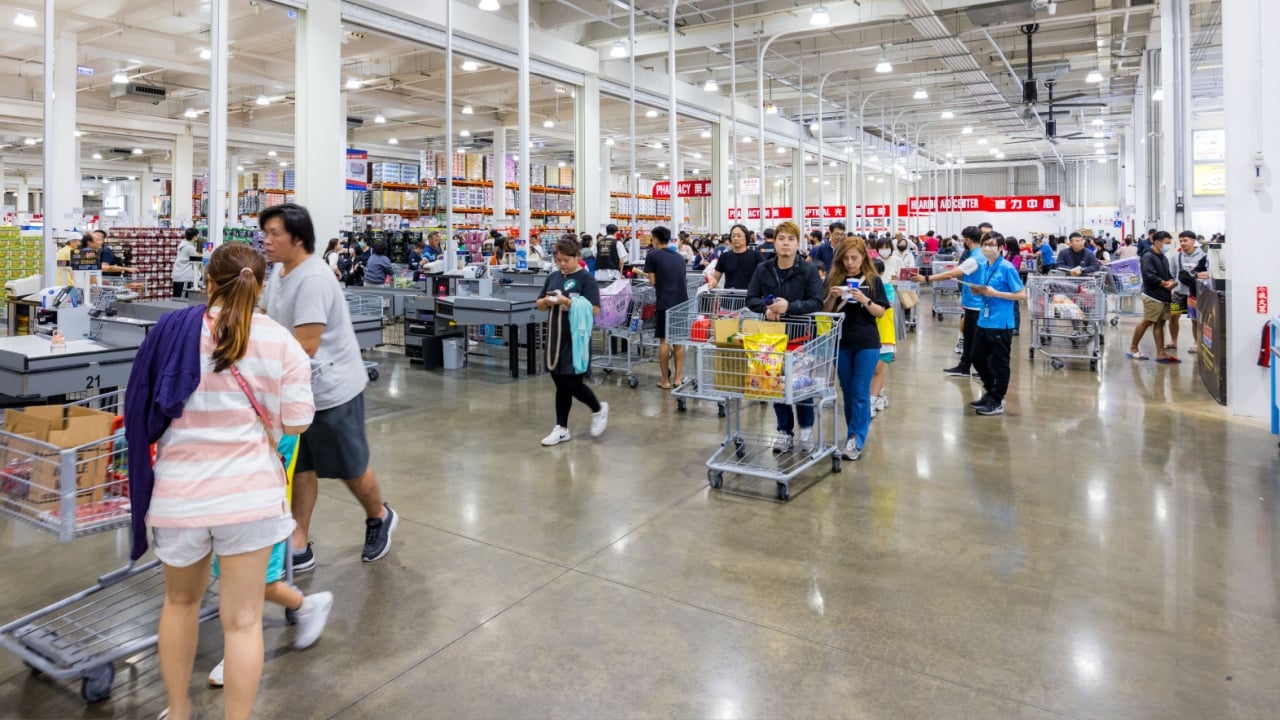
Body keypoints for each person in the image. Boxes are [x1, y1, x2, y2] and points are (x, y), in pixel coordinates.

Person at [135, 243, 316, 720]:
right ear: (261, 288)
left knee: (179, 604)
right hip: (251, 496)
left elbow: (144, 404)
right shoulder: (281, 342)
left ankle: (179, 712)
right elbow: (297, 423)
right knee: (242, 623)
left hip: (180, 495)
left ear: (208, 282)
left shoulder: (173, 331)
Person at [260, 204, 397, 572]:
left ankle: (379, 516)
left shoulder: (314, 279)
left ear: (298, 238)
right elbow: (267, 319)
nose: (267, 240)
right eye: (266, 232)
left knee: (349, 465)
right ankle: (298, 538)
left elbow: (306, 345)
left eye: (274, 233)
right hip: (296, 389)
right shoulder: (279, 272)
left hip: (332, 388)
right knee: (301, 464)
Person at [747, 221, 825, 453]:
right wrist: (766, 309)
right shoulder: (763, 268)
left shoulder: (808, 270)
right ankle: (783, 431)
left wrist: (789, 307)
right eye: (781, 238)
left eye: (791, 239)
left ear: (797, 243)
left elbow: (816, 302)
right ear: (775, 241)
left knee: (801, 387)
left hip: (801, 338)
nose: (785, 243)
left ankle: (806, 430)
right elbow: (751, 298)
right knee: (775, 386)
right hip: (771, 338)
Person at [536, 236, 608, 446]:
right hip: (555, 338)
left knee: (571, 382)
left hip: (576, 338)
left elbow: (594, 309)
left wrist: (568, 302)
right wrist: (547, 302)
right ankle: (562, 428)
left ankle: (598, 409)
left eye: (566, 260)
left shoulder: (586, 279)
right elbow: (539, 303)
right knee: (560, 382)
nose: (562, 264)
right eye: (558, 260)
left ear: (577, 256)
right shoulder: (553, 278)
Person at [822, 237, 887, 461]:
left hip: (867, 343)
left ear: (863, 258)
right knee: (848, 392)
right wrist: (831, 296)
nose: (850, 263)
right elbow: (825, 312)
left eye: (854, 258)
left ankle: (856, 439)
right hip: (841, 343)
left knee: (860, 392)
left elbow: (880, 312)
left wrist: (864, 299)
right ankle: (852, 433)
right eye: (846, 258)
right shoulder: (834, 279)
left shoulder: (873, 280)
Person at [968, 233, 1027, 415]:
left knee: (1000, 363)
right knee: (976, 356)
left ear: (1001, 248)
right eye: (985, 244)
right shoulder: (985, 266)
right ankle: (991, 391)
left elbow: (1021, 294)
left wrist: (996, 294)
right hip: (984, 320)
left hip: (1001, 323)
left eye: (992, 245)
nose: (987, 248)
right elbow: (988, 289)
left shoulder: (1007, 268)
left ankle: (997, 400)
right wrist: (979, 291)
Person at [918, 226, 985, 376]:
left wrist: (927, 278)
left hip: (976, 305)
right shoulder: (980, 255)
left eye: (963, 240)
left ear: (967, 240)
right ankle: (964, 366)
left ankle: (982, 370)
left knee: (975, 340)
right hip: (971, 304)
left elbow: (952, 273)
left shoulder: (975, 258)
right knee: (968, 338)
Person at [645, 226, 690, 390]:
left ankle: (665, 381)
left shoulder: (652, 256)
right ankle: (677, 379)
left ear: (655, 239)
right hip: (682, 303)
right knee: (678, 340)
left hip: (665, 302)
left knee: (664, 341)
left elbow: (652, 282)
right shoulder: (678, 256)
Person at [1128, 230, 1179, 363]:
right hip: (1152, 295)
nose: (1168, 246)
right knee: (1147, 321)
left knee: (1160, 323)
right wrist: (1165, 284)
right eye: (1166, 243)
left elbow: (1167, 274)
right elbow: (1149, 276)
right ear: (1157, 242)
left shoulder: (1163, 256)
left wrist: (1172, 282)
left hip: (1164, 295)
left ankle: (1161, 353)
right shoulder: (1148, 256)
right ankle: (1133, 348)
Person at [1168, 230, 1207, 354]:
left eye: (1185, 240)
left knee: (1195, 319)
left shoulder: (1203, 256)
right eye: (1180, 241)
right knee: (1173, 316)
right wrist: (1171, 289)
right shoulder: (1176, 257)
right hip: (1178, 293)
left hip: (1195, 294)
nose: (1183, 243)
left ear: (1193, 241)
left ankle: (1196, 342)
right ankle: (1173, 341)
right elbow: (1172, 275)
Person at [868, 258, 896, 419]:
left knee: (877, 369)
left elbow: (886, 307)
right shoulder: (862, 289)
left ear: (881, 273)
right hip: (868, 336)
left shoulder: (887, 288)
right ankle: (879, 394)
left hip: (884, 336)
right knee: (871, 370)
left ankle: (871, 402)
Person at [708, 224, 765, 291]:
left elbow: (765, 276)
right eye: (733, 236)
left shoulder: (756, 256)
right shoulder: (724, 256)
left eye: (739, 236)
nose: (735, 238)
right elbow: (715, 277)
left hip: (749, 297)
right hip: (728, 297)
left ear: (746, 238)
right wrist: (711, 284)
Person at [1004, 237, 1024, 335]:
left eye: (1005, 244)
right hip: (1005, 284)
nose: (1004, 246)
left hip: (1013, 284)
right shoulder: (1007, 255)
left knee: (1015, 306)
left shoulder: (1017, 256)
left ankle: (1016, 328)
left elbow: (1014, 269)